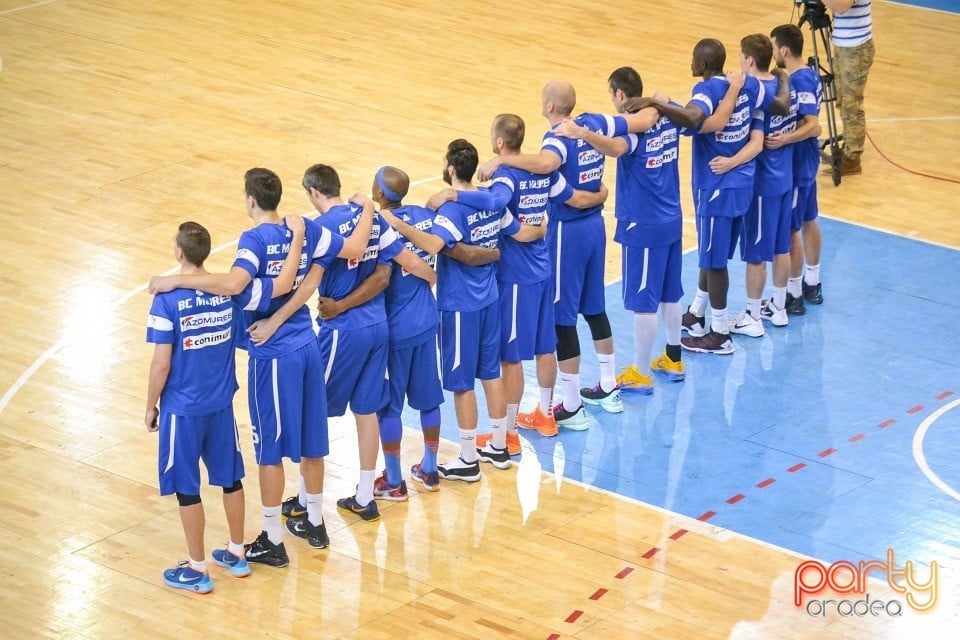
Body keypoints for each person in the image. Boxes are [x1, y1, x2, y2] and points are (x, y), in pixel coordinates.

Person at [150, 167, 371, 560]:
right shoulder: (303, 228)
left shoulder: (253, 240)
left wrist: (176, 281)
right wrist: (368, 206)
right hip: (307, 343)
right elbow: (348, 252)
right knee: (311, 442)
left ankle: (271, 538)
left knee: (269, 448)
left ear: (250, 199)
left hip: (273, 355)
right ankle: (315, 523)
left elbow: (234, 286)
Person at [145, 217, 304, 592]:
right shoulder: (227, 293)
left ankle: (198, 569)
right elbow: (256, 317)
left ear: (179, 252)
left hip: (182, 410)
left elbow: (161, 362)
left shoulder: (166, 302)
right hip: (220, 408)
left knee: (188, 488)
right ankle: (237, 552)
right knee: (231, 479)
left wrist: (151, 405)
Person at [558, 66, 740, 390]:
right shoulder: (669, 118)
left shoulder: (634, 127)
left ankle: (640, 372)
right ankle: (672, 357)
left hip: (643, 223)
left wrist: (583, 134)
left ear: (620, 94)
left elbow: (615, 149)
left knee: (643, 302)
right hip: (671, 219)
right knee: (670, 294)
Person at [436, 114, 609, 448]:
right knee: (546, 345)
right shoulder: (544, 171)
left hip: (515, 277)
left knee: (510, 357)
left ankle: (510, 432)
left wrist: (454, 196)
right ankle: (544, 413)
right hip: (544, 269)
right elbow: (573, 198)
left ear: (500, 142)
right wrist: (601, 197)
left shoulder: (506, 176)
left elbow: (494, 202)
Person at [379, 139, 544, 480]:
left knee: (461, 383)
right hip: (489, 299)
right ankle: (499, 446)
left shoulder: (453, 211)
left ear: (451, 169)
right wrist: (541, 229)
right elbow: (516, 232)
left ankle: (468, 458)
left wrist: (400, 227)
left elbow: (433, 244)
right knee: (490, 373)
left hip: (459, 306)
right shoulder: (491, 202)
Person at [476, 80, 629, 427]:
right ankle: (609, 386)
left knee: (561, 320)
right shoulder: (592, 123)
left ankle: (572, 405)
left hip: (569, 235)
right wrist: (601, 196)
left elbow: (547, 165)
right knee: (595, 308)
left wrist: (500, 160)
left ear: (548, 107)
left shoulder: (555, 139)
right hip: (595, 229)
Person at [633, 38, 790, 355]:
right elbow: (782, 104)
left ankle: (719, 333)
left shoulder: (707, 91)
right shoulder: (746, 85)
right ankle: (697, 312)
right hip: (742, 183)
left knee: (715, 262)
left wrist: (657, 103)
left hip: (717, 186)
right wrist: (783, 73)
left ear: (702, 65)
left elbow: (692, 118)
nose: (691, 63)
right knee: (711, 254)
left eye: (693, 59)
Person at [371, 166, 445, 492]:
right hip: (427, 321)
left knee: (389, 407)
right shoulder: (424, 216)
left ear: (379, 194)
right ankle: (430, 468)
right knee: (430, 400)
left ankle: (394, 479)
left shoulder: (376, 228)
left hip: (395, 331)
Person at [728, 34, 798, 337]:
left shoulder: (755, 91)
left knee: (756, 254)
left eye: (742, 57)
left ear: (750, 60)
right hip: (785, 178)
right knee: (781, 246)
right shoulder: (784, 85)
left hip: (762, 183)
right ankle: (779, 308)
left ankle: (753, 316)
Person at [768, 24, 825, 313]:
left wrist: (784, 139)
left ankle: (793, 294)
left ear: (784, 50)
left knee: (791, 230)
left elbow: (814, 125)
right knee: (808, 219)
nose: (773, 53)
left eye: (774, 47)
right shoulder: (811, 74)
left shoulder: (800, 81)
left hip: (798, 163)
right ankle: (812, 282)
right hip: (808, 162)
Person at [822, 0, 874, 176]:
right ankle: (849, 147)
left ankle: (853, 159)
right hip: (844, 46)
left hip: (856, 49)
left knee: (852, 105)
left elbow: (842, 6)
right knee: (843, 101)